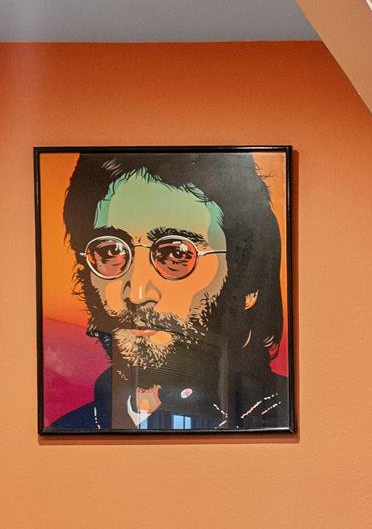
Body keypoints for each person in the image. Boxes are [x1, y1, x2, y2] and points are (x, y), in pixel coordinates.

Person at [45, 149, 291, 433]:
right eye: (110, 251)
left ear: (247, 281)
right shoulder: (73, 430)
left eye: (177, 254)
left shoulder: (279, 420)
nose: (136, 294)